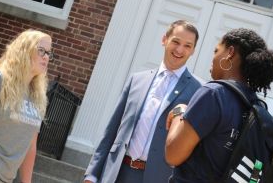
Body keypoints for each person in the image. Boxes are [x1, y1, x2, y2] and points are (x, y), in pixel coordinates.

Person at [85, 20, 203, 183]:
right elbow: (111, 131)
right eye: (176, 41)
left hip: (158, 177)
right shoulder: (137, 80)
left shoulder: (198, 91)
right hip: (116, 173)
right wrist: (92, 174)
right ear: (164, 40)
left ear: (193, 51)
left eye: (187, 46)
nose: (179, 50)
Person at [165, 28, 273, 182]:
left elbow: (173, 155)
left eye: (216, 51)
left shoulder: (214, 94)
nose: (213, 58)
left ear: (230, 52)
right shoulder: (254, 104)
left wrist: (180, 111)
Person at [0, 29, 53, 183]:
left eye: (48, 53)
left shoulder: (38, 97)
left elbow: (30, 145)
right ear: (24, 50)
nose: (46, 56)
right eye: (41, 51)